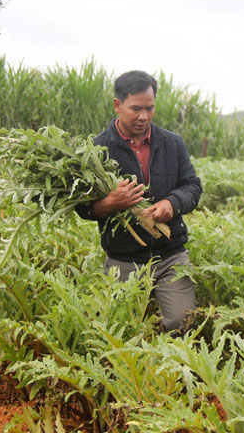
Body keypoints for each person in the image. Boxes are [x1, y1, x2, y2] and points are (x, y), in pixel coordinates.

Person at [76, 70, 202, 333]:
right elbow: (82, 208)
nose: (144, 116)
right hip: (124, 258)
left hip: (170, 255)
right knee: (123, 332)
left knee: (183, 322)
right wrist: (110, 202)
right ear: (117, 105)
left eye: (150, 108)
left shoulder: (172, 143)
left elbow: (192, 186)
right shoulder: (96, 150)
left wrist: (172, 203)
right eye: (136, 109)